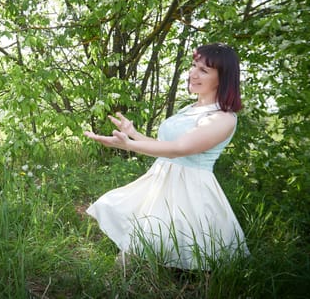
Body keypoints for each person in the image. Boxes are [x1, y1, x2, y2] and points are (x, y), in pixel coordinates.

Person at [84, 43, 248, 271]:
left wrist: (130, 145)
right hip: (163, 180)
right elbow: (166, 147)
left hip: (190, 189)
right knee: (138, 245)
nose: (193, 73)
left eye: (204, 70)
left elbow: (180, 149)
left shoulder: (222, 117)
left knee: (177, 251)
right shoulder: (190, 109)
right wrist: (133, 133)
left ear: (223, 78)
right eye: (193, 66)